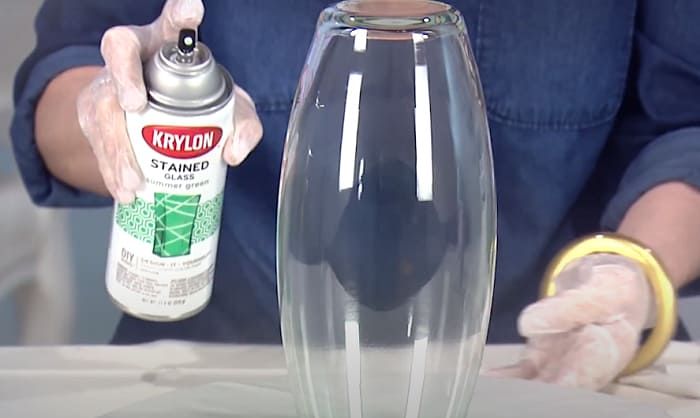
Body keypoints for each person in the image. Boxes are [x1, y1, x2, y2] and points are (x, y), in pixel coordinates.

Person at [10, 0, 700, 390]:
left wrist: (631, 269)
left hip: (534, 369)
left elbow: (685, 125)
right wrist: (124, 113)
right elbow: (61, 84)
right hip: (214, 369)